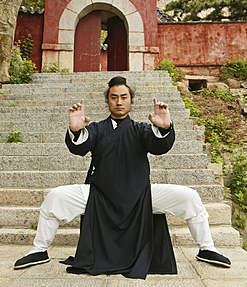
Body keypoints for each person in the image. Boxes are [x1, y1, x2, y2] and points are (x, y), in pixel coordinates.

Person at [14, 76, 231, 278]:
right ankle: (39, 250)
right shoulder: (97, 129)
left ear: (131, 101)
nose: (119, 102)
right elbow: (79, 148)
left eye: (124, 97)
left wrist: (164, 128)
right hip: (100, 196)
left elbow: (159, 147)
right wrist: (76, 130)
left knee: (189, 197)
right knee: (55, 197)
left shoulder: (141, 129)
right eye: (114, 97)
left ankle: (207, 249)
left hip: (140, 197)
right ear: (107, 101)